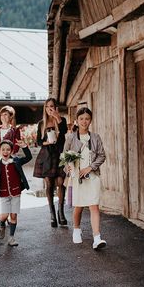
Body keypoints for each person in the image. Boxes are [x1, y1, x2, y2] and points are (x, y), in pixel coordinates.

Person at [63, 107, 106, 250]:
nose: (84, 121)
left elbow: (101, 155)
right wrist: (68, 167)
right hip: (77, 178)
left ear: (90, 120)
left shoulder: (95, 137)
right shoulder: (71, 138)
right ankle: (76, 229)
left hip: (92, 176)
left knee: (94, 206)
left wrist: (90, 167)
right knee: (79, 206)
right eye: (81, 119)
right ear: (77, 120)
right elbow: (64, 157)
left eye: (87, 118)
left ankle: (97, 238)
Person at [33, 98, 68, 227]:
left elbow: (64, 131)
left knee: (61, 183)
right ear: (45, 108)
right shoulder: (41, 123)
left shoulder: (61, 120)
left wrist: (57, 117)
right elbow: (38, 141)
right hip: (47, 155)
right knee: (49, 185)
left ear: (55, 107)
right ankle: (52, 215)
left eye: (52, 106)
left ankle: (61, 213)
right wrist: (47, 142)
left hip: (59, 154)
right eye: (47, 107)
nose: (50, 109)